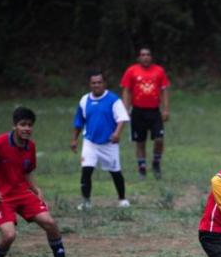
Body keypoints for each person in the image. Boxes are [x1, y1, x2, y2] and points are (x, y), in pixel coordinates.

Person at [0, 107, 79, 257]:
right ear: (15, 125)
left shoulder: (30, 146)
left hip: (22, 192)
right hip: (1, 196)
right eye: (23, 124)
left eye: (30, 125)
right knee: (9, 235)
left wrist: (36, 188)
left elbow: (28, 170)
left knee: (50, 223)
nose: (26, 129)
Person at [71, 70, 131, 209]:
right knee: (86, 170)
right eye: (93, 83)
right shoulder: (84, 100)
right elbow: (79, 121)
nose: (96, 85)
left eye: (99, 82)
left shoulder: (113, 99)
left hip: (109, 143)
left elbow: (122, 118)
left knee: (115, 171)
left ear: (104, 83)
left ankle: (122, 199)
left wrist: (117, 133)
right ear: (90, 84)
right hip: (90, 142)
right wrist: (74, 139)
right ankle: (86, 202)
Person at [120, 48, 170, 179]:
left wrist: (165, 109)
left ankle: (156, 163)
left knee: (159, 139)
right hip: (138, 111)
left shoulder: (159, 71)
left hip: (154, 111)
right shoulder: (131, 71)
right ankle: (142, 168)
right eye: (143, 55)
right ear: (138, 58)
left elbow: (164, 90)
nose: (145, 57)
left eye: (148, 54)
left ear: (151, 57)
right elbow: (126, 90)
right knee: (140, 141)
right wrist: (125, 109)